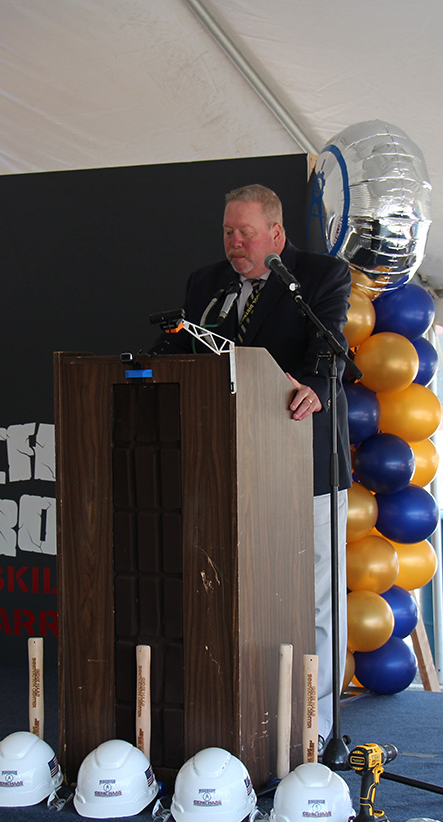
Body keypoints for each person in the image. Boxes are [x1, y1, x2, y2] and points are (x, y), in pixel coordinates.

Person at [151, 184, 351, 746]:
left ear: (277, 234)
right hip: (232, 465)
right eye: (227, 232)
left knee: (317, 599)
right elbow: (189, 356)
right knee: (242, 596)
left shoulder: (321, 276)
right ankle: (250, 719)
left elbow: (328, 349)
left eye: (246, 233)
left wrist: (311, 388)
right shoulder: (206, 284)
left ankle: (317, 729)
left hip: (305, 461)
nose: (235, 244)